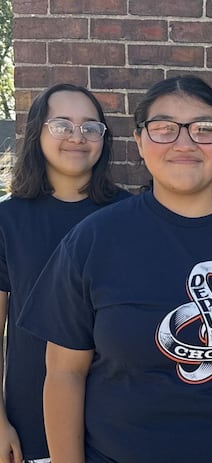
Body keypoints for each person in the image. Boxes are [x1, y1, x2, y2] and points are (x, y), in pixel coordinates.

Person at [18, 76, 212, 463]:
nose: (185, 143)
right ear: (140, 143)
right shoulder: (93, 240)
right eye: (163, 129)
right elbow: (63, 374)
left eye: (204, 129)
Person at [0, 83, 129, 463]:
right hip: (33, 424)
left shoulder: (131, 215)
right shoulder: (7, 220)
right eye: (62, 125)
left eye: (91, 127)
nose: (78, 137)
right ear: (37, 131)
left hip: (123, 422)